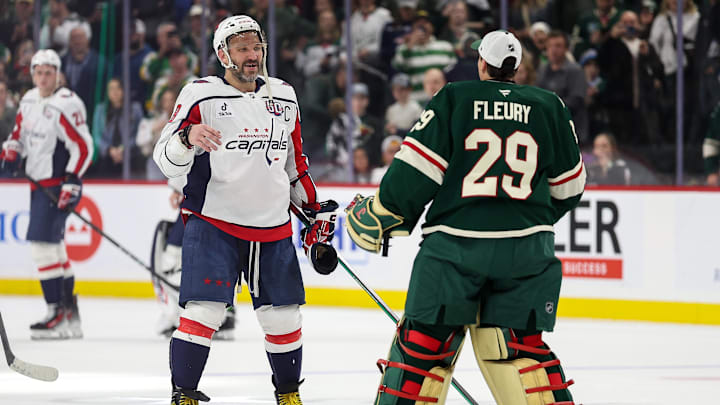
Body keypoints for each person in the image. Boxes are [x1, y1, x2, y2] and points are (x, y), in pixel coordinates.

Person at [346, 30, 584, 405]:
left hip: (454, 251)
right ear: (516, 67)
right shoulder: (549, 105)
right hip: (528, 252)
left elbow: (415, 172)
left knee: (422, 354)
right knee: (520, 354)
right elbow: (569, 189)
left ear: (481, 63)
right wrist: (525, 217)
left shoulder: (455, 97)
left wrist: (382, 213)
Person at [153, 15, 337, 405]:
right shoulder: (199, 94)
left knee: (283, 318)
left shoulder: (284, 95)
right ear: (223, 54)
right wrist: (187, 137)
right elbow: (165, 159)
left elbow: (294, 165)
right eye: (242, 48)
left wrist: (315, 209)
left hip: (271, 228)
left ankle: (288, 395)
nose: (252, 55)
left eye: (256, 47)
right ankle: (183, 395)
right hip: (214, 223)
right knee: (203, 313)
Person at [0, 49, 93, 339]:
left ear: (58, 74)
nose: (43, 77)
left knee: (42, 248)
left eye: (48, 72)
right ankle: (68, 316)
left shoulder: (66, 104)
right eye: (38, 72)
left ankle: (56, 312)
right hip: (39, 184)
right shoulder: (28, 100)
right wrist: (13, 150)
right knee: (54, 249)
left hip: (58, 185)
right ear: (32, 74)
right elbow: (18, 135)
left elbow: (83, 146)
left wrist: (72, 181)